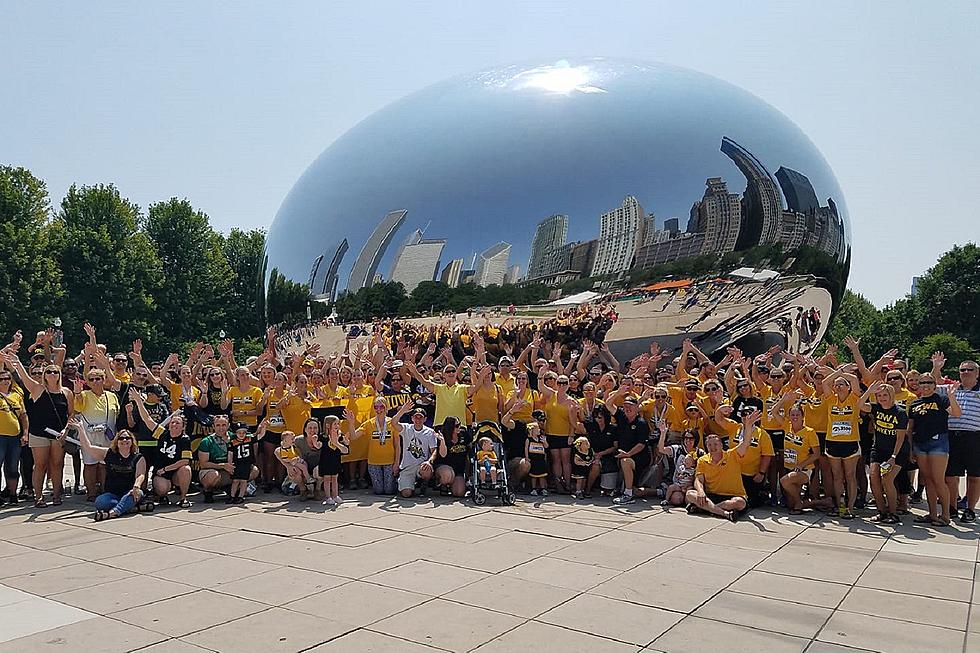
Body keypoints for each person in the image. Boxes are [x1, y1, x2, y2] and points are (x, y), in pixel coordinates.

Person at [3, 353, 71, 508]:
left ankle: (56, 495)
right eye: (48, 371)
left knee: (57, 464)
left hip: (58, 434)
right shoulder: (37, 388)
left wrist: (66, 430)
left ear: (60, 374)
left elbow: (71, 413)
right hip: (38, 433)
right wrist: (18, 362)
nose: (52, 374)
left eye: (55, 372)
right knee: (40, 465)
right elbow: (24, 378)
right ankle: (38, 497)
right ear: (44, 375)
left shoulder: (66, 392)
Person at [686, 410, 760, 522]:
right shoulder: (702, 460)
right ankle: (724, 513)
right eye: (709, 445)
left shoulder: (732, 454)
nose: (713, 447)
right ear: (706, 446)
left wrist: (748, 426)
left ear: (721, 445)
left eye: (716, 444)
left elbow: (746, 443)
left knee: (739, 503)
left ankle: (706, 508)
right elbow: (698, 479)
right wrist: (700, 491)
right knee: (690, 494)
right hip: (711, 495)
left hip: (732, 496)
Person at [70, 420, 149, 521]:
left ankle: (113, 513)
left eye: (127, 438)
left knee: (135, 495)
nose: (124, 440)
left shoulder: (138, 457)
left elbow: (141, 475)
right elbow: (88, 447)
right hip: (113, 495)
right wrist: (80, 429)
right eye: (121, 438)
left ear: (132, 441)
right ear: (117, 441)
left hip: (131, 492)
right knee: (100, 502)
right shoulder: (108, 454)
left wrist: (136, 486)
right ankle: (129, 507)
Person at [909, 374, 961, 526]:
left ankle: (945, 515)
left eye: (929, 382)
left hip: (938, 443)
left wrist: (952, 397)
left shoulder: (941, 399)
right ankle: (932, 514)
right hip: (920, 444)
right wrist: (911, 448)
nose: (925, 385)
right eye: (922, 382)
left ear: (934, 385)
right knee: (928, 480)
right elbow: (910, 428)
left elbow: (957, 414)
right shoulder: (914, 403)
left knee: (939, 479)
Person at [130, 390, 193, 508]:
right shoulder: (162, 433)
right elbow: (147, 419)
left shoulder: (185, 439)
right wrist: (139, 401)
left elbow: (185, 461)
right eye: (172, 422)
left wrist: (165, 469)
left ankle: (183, 498)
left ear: (183, 426)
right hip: (160, 473)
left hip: (173, 472)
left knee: (186, 469)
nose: (174, 425)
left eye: (178, 423)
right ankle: (161, 495)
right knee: (162, 488)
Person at [73, 367, 121, 502]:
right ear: (87, 382)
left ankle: (105, 490)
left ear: (104, 380)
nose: (95, 381)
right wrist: (77, 392)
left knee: (105, 464)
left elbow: (116, 413)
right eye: (91, 379)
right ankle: (91, 493)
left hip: (108, 435)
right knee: (90, 464)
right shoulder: (84, 394)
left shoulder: (111, 396)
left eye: (98, 378)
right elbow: (77, 407)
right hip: (89, 435)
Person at [821, 365, 862, 519]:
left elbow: (855, 380)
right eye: (836, 385)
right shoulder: (831, 398)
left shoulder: (854, 397)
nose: (838, 386)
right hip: (832, 442)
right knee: (837, 476)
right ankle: (841, 506)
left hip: (850, 442)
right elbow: (825, 383)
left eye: (841, 384)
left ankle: (851, 507)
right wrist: (837, 373)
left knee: (850, 475)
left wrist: (844, 372)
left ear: (848, 387)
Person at [942, 357, 979, 523]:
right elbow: (930, 383)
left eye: (969, 369)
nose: (965, 372)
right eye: (962, 370)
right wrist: (937, 367)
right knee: (950, 475)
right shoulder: (952, 389)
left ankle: (970, 509)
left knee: (974, 476)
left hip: (974, 437)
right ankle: (952, 507)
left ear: (977, 373)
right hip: (952, 436)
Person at [773, 399, 824, 514]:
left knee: (784, 481)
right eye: (792, 415)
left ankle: (798, 503)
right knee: (790, 505)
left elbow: (816, 454)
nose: (795, 417)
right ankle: (823, 502)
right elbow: (774, 411)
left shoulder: (810, 432)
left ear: (803, 416)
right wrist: (784, 398)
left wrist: (801, 465)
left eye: (797, 414)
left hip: (805, 470)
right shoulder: (787, 426)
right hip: (789, 467)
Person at [347, 399, 400, 495]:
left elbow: (397, 445)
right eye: (376, 407)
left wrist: (396, 463)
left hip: (389, 462)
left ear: (386, 407)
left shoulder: (392, 423)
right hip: (374, 462)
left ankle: (399, 482)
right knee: (379, 491)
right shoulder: (368, 423)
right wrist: (351, 423)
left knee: (389, 491)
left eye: (381, 407)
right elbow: (354, 436)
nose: (379, 409)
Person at [606, 395, 652, 505]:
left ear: (637, 407)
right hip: (623, 454)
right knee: (637, 490)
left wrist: (628, 454)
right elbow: (608, 404)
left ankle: (628, 494)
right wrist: (619, 391)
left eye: (630, 406)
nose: (627, 408)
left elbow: (641, 445)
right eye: (625, 406)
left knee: (625, 461)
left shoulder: (641, 423)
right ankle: (658, 492)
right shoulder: (622, 417)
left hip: (639, 457)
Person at [199, 415, 254, 503]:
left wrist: (261, 428)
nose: (221, 428)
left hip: (234, 469)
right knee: (212, 476)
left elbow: (253, 436)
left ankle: (232, 489)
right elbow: (203, 464)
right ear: (213, 426)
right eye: (218, 425)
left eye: (224, 425)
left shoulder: (236, 436)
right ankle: (208, 491)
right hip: (215, 469)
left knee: (254, 470)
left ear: (228, 426)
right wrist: (222, 466)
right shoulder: (206, 441)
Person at [396, 403, 444, 497]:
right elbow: (394, 423)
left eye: (420, 417)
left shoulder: (429, 432)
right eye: (416, 417)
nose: (418, 419)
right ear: (412, 418)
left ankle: (423, 484)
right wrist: (402, 411)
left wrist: (429, 461)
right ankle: (410, 486)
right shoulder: (406, 428)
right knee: (406, 494)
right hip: (407, 467)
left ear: (425, 419)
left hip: (421, 466)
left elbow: (434, 450)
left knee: (426, 469)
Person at [0, 368, 28, 505]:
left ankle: (12, 494)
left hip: (14, 437)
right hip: (0, 437)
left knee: (12, 467)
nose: (5, 381)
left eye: (7, 379)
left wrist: (25, 433)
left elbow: (23, 416)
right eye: (1, 379)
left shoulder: (16, 395)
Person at [658, 428, 702, 507]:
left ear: (696, 439)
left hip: (691, 485)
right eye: (686, 438)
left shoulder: (700, 453)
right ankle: (667, 500)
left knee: (688, 498)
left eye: (691, 438)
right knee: (676, 499)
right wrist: (663, 433)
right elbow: (661, 449)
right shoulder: (677, 449)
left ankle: (690, 504)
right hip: (678, 483)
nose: (688, 441)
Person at [228, 420, 268, 503]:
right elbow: (230, 453)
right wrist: (230, 463)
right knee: (235, 481)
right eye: (239, 432)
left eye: (243, 432)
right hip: (236, 464)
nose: (241, 434)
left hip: (246, 464)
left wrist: (264, 427)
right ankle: (232, 496)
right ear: (235, 433)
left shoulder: (249, 439)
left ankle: (240, 497)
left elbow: (260, 436)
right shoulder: (233, 442)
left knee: (243, 481)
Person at [275, 429, 314, 500]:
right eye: (310, 428)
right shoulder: (295, 442)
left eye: (315, 428)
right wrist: (288, 466)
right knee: (296, 471)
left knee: (306, 467)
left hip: (312, 467)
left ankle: (314, 490)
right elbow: (277, 451)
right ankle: (303, 489)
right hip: (296, 462)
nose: (312, 430)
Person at [434, 416, 468, 497]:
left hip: (458, 469)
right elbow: (443, 455)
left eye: (459, 425)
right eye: (456, 426)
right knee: (448, 473)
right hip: (444, 466)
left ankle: (453, 485)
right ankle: (442, 484)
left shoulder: (464, 435)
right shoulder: (443, 436)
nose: (459, 427)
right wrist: (442, 441)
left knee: (459, 493)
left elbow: (469, 451)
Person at [319, 415, 348, 506]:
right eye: (335, 424)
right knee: (327, 479)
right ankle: (328, 497)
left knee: (335, 478)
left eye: (338, 424)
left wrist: (345, 441)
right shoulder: (323, 436)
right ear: (328, 425)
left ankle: (335, 495)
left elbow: (346, 446)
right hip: (326, 460)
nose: (337, 426)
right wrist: (315, 442)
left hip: (336, 460)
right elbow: (318, 446)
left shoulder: (339, 435)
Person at [525, 420, 549, 496]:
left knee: (542, 475)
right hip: (533, 459)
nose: (539, 430)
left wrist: (544, 442)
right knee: (533, 476)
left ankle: (543, 489)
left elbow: (546, 447)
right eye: (537, 429)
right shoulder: (529, 439)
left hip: (541, 459)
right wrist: (527, 457)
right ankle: (533, 489)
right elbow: (526, 448)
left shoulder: (541, 439)